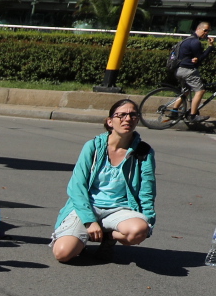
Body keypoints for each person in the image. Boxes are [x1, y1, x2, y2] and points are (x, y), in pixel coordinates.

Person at [52, 99, 155, 265]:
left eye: (133, 115)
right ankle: (85, 236)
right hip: (88, 206)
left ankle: (108, 236)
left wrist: (148, 222)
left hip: (120, 210)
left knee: (139, 231)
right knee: (63, 254)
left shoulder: (143, 152)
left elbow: (147, 191)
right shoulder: (93, 147)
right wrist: (89, 221)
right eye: (121, 115)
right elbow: (76, 186)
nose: (127, 119)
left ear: (137, 120)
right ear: (110, 121)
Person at [169, 20, 212, 120]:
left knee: (186, 91)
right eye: (205, 30)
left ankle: (174, 112)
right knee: (200, 91)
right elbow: (201, 57)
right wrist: (210, 47)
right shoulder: (195, 42)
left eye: (208, 31)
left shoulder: (187, 40)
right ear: (198, 29)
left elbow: (188, 55)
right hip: (188, 71)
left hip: (179, 70)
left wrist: (195, 59)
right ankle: (193, 115)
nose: (206, 33)